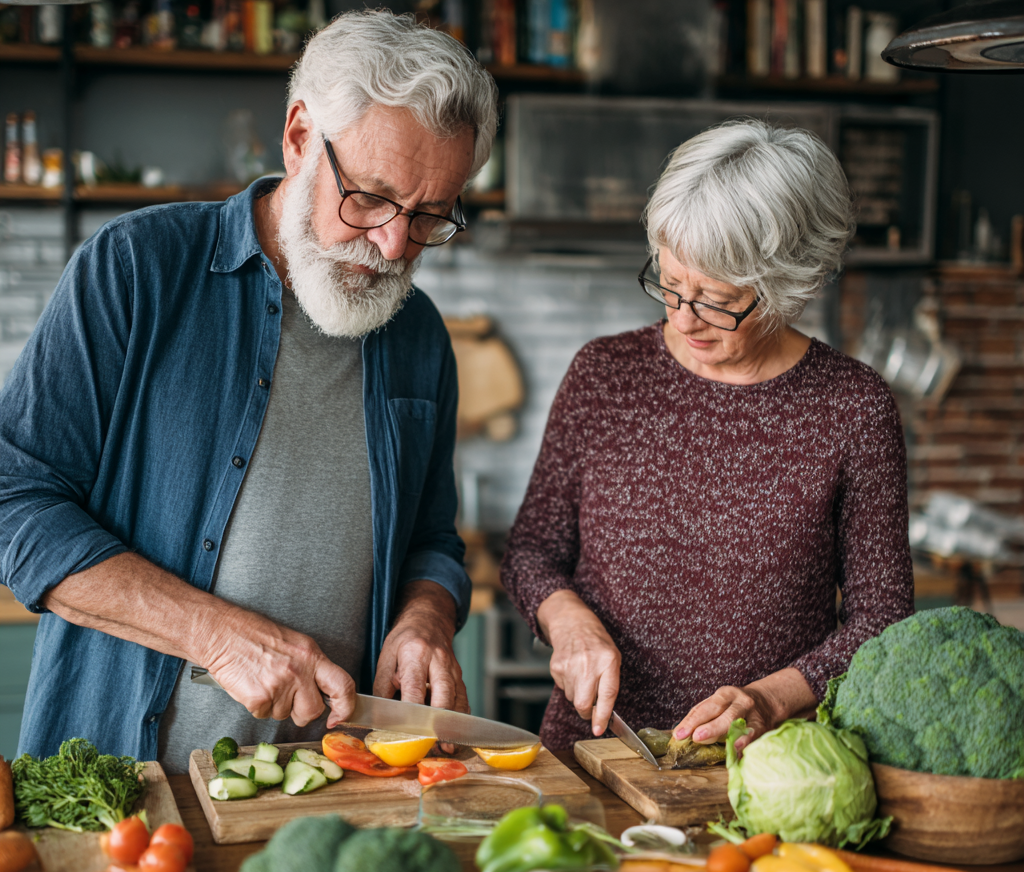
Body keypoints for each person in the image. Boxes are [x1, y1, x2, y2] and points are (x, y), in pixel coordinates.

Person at [0, 12, 498, 770]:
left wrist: (424, 619)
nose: (395, 245)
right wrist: (216, 635)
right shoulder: (136, 269)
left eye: (431, 215)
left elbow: (431, 539)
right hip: (123, 788)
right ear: (300, 137)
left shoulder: (419, 332)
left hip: (335, 788)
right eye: (369, 197)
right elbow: (13, 501)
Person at [501, 119, 915, 754]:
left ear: (788, 285)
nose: (683, 319)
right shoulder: (604, 375)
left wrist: (771, 698)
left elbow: (883, 621)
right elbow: (532, 550)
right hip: (592, 755)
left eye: (716, 301)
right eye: (670, 285)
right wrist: (569, 622)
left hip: (763, 769)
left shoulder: (852, 407)